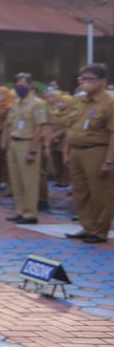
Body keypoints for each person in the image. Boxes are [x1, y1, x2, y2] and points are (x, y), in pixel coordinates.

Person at [65, 64, 114, 244]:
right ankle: (87, 226)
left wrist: (109, 161)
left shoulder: (109, 103)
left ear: (102, 82)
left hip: (97, 151)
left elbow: (112, 133)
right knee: (81, 192)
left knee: (100, 193)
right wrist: (68, 151)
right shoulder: (81, 101)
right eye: (82, 79)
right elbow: (72, 128)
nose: (85, 83)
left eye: (89, 79)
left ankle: (99, 231)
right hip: (77, 151)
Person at [3, 73, 49, 225]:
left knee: (29, 181)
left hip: (28, 143)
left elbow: (39, 128)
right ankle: (20, 210)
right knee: (16, 180)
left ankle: (30, 213)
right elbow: (11, 125)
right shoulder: (17, 103)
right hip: (15, 143)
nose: (18, 87)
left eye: (22, 84)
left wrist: (33, 150)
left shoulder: (37, 103)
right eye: (16, 84)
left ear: (29, 85)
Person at [50, 92, 76, 188]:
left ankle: (65, 181)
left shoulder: (71, 115)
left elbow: (67, 128)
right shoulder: (55, 113)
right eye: (60, 101)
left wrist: (57, 135)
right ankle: (59, 179)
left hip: (64, 141)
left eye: (63, 102)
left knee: (64, 162)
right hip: (53, 141)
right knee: (56, 161)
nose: (60, 104)